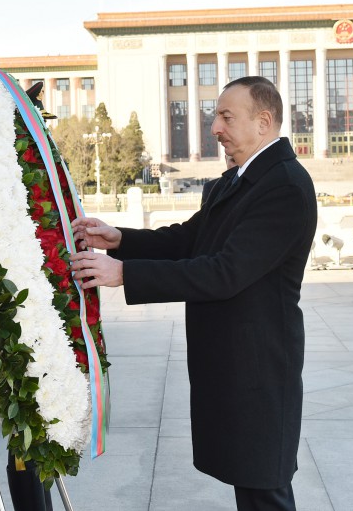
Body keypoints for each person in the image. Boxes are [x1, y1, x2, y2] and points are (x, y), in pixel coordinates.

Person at [71, 76, 316, 511]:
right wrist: (119, 239)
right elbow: (189, 240)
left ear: (263, 122)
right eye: (215, 117)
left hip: (259, 365)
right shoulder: (237, 180)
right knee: (249, 479)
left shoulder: (285, 186)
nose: (215, 128)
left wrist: (125, 274)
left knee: (264, 486)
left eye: (226, 117)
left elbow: (226, 271)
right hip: (231, 360)